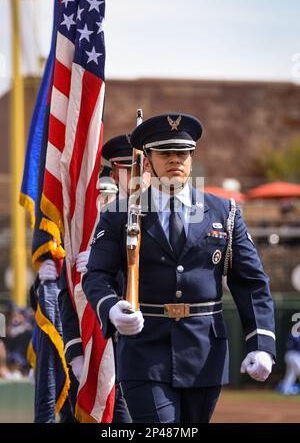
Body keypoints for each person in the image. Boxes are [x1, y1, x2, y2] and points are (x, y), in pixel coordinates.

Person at [83, 113, 276, 423]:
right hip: (144, 350)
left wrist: (261, 342)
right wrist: (111, 308)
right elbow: (97, 274)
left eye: (182, 153)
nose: (175, 160)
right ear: (147, 160)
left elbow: (251, 281)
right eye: (165, 153)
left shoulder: (223, 211)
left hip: (204, 352)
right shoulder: (119, 214)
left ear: (191, 157)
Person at [58, 134, 140, 423]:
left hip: (144, 346)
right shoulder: (90, 215)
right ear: (115, 171)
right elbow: (67, 289)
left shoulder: (160, 213)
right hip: (97, 341)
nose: (137, 176)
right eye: (130, 168)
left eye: (143, 167)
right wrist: (75, 349)